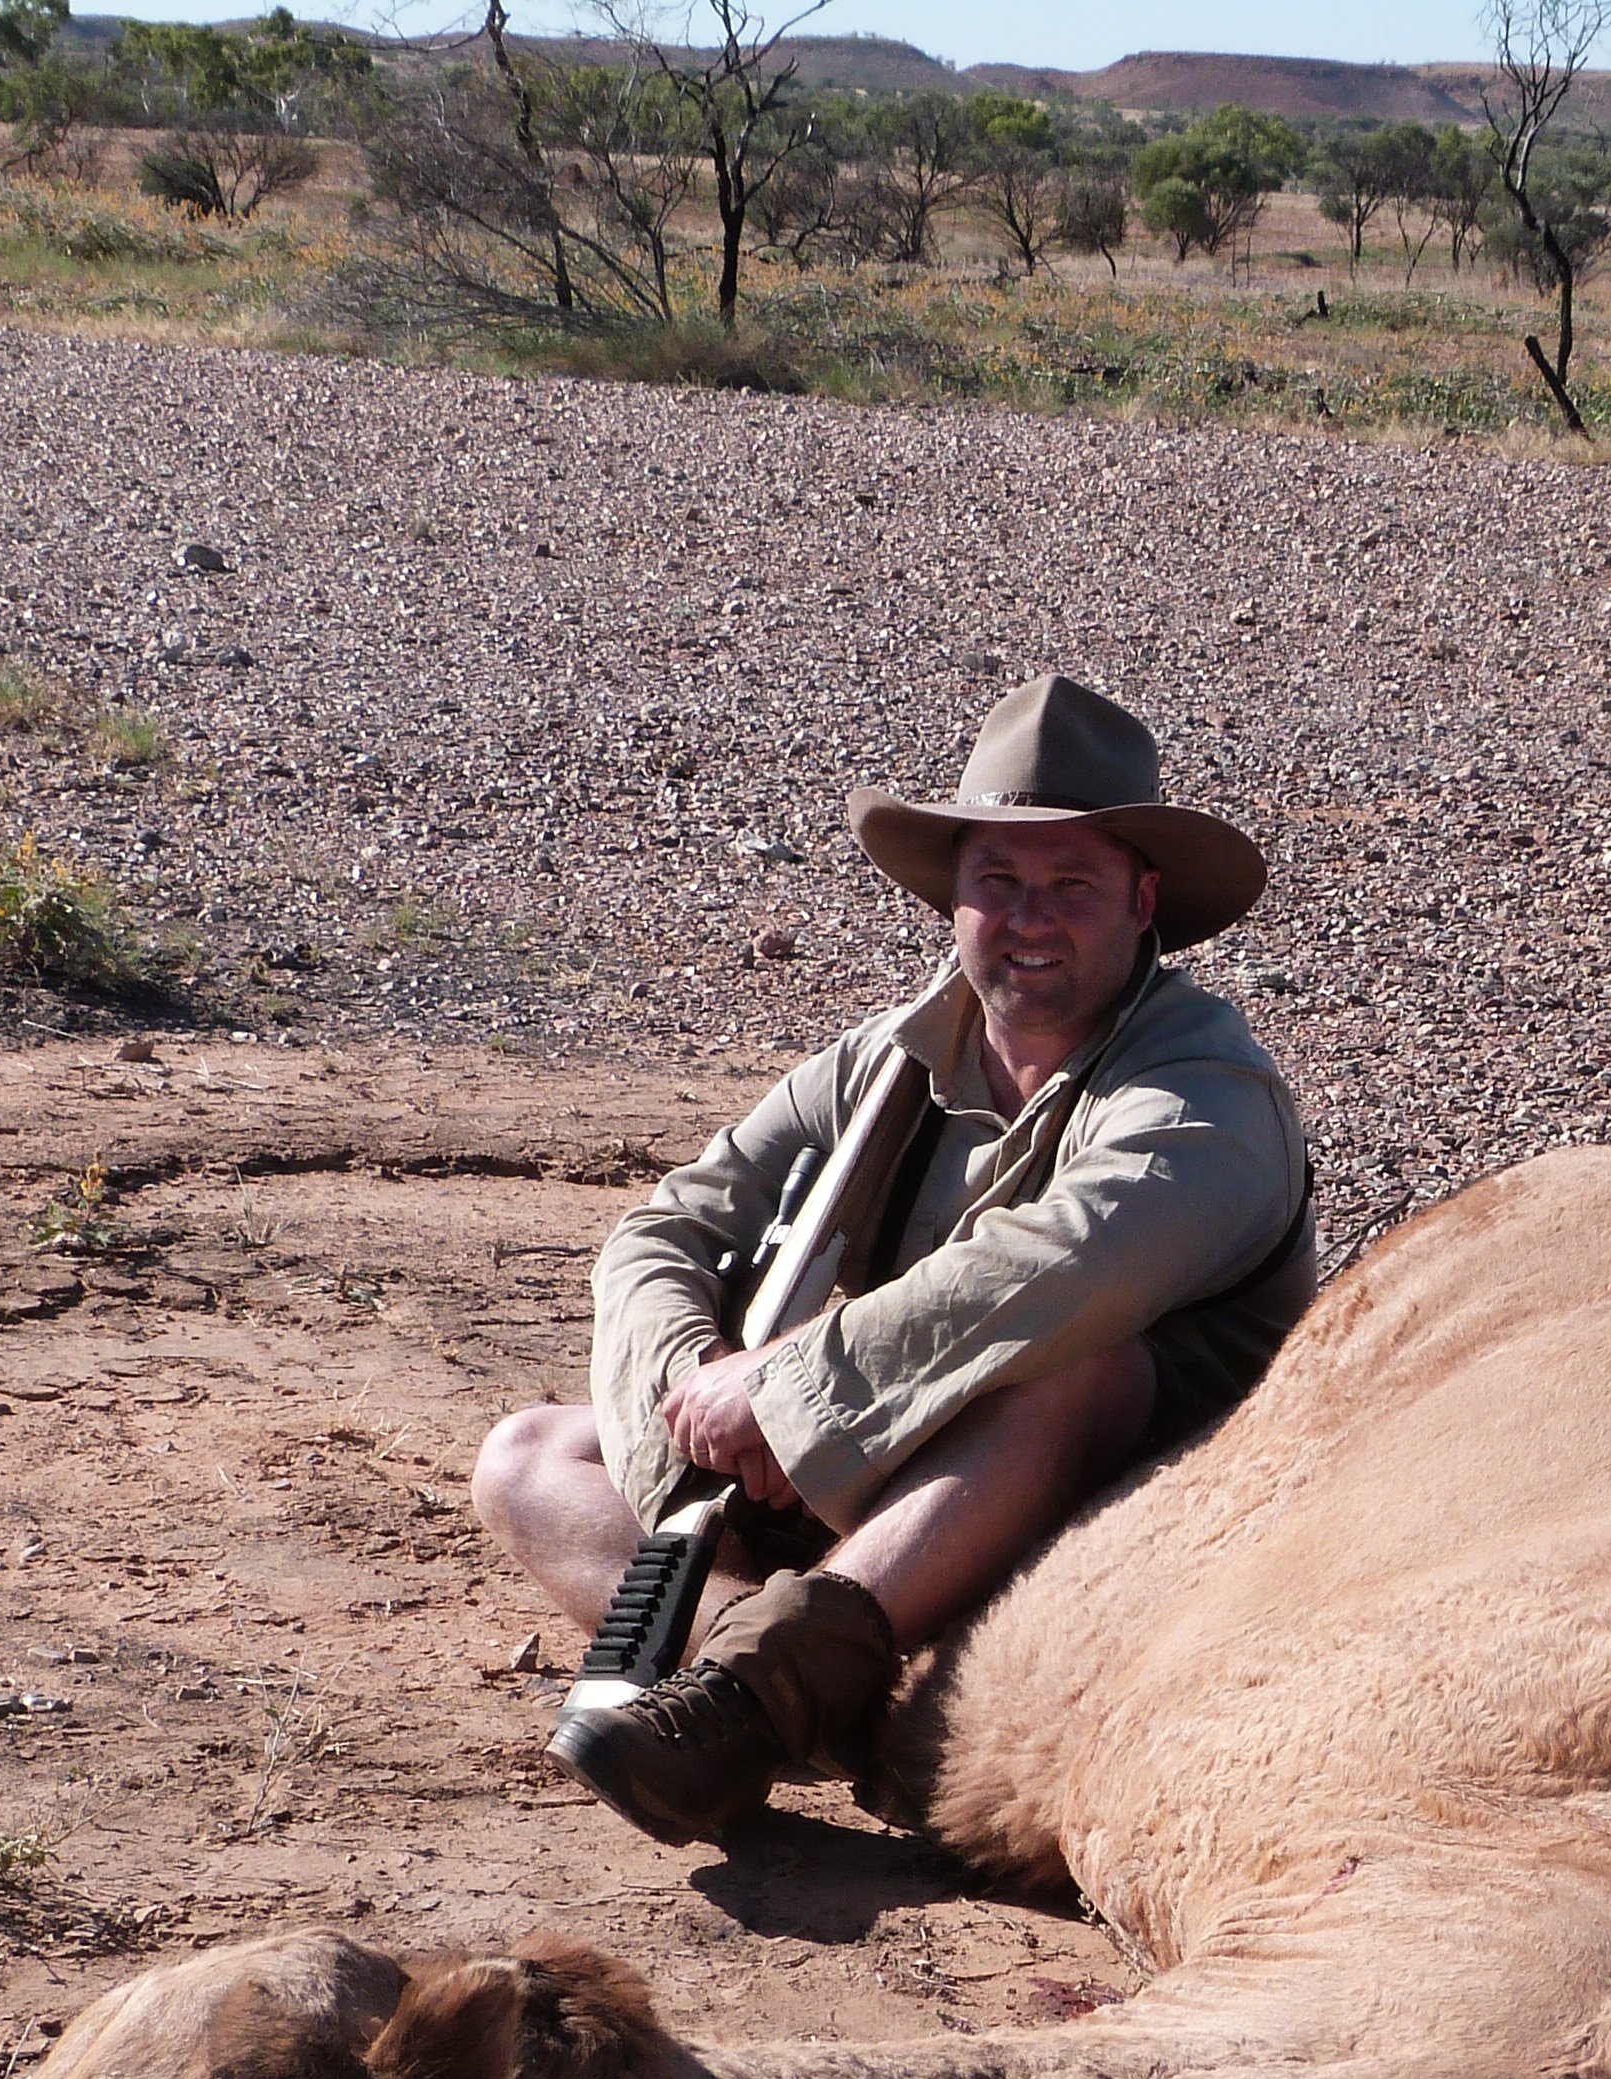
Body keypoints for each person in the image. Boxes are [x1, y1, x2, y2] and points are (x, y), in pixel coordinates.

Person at [474, 675, 1314, 1843]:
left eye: (1073, 884)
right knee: (525, 1459)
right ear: (952, 900)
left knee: (1080, 1367)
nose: (1030, 917)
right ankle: (775, 1693)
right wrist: (696, 1385)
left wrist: (780, 1389)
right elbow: (665, 1230)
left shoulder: (1203, 1094)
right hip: (874, 1474)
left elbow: (1066, 1268)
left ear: (1144, 903)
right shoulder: (883, 1060)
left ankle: (760, 1686)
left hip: (1119, 1521)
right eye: (997, 882)